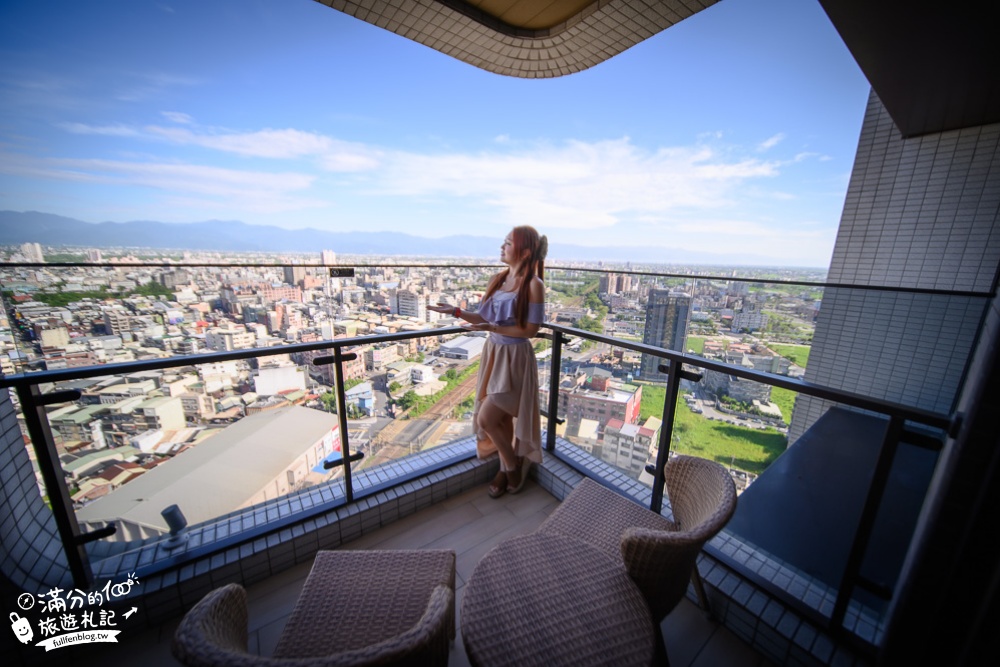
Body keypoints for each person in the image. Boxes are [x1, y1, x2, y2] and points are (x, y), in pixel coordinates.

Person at [428, 226, 547, 498]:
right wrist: (457, 311)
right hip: (494, 352)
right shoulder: (498, 279)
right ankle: (507, 468)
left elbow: (530, 330)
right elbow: (484, 319)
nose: (501, 248)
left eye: (507, 244)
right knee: (499, 418)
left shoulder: (534, 285)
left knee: (487, 418)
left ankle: (513, 465)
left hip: (515, 357)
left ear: (524, 251)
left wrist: (493, 328)